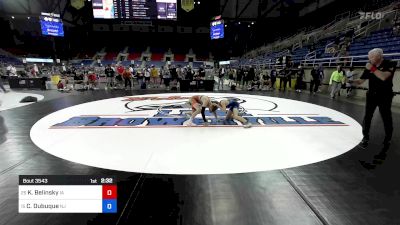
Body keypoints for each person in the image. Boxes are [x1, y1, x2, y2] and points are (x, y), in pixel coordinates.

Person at [352, 48, 396, 153]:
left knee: (386, 116)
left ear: (379, 56)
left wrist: (371, 68)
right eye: (369, 57)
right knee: (367, 116)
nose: (369, 59)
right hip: (372, 95)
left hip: (385, 95)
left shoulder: (390, 63)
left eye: (371, 57)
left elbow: (383, 77)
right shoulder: (369, 66)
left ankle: (388, 138)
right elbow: (361, 81)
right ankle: (365, 137)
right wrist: (350, 81)